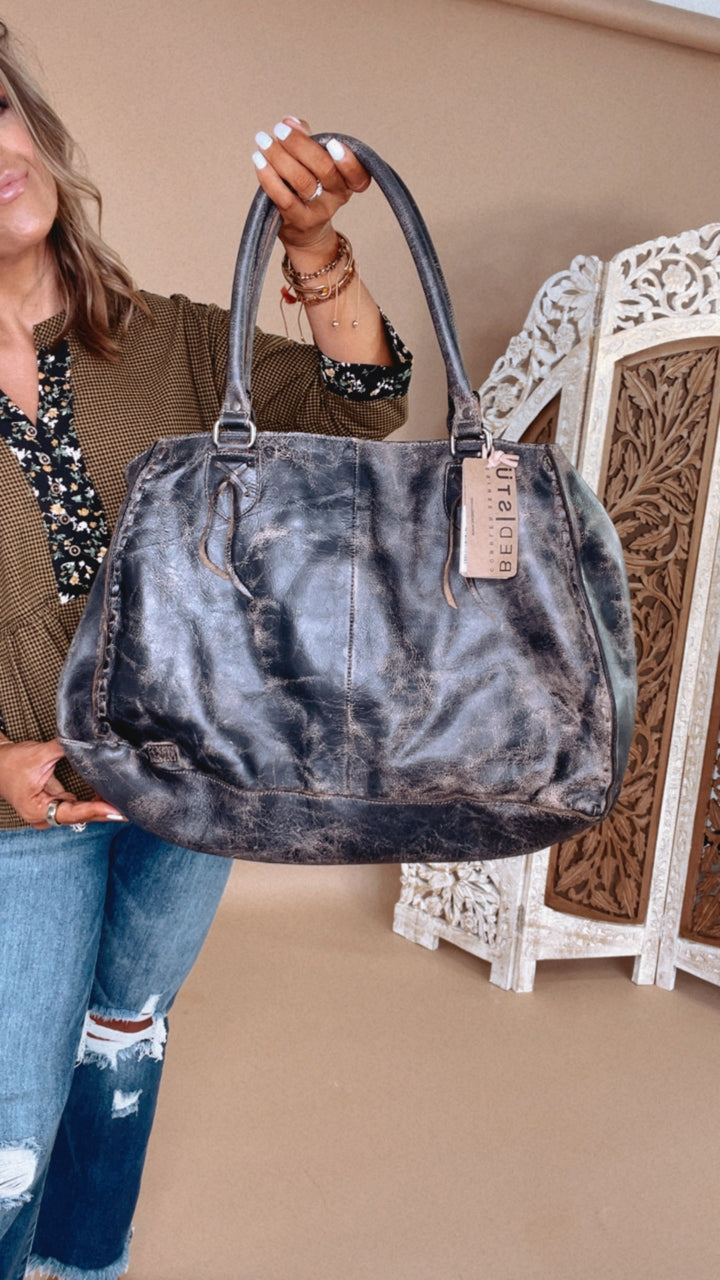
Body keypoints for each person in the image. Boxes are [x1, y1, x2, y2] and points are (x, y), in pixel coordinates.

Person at [0, 22, 411, 1280]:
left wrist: (314, 248)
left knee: (126, 1029)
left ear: (33, 127)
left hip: (193, 775)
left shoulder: (165, 338)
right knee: (11, 1111)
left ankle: (84, 1259)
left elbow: (363, 406)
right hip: (23, 800)